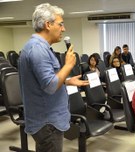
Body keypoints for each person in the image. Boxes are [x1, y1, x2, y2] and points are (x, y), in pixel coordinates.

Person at [18, 3, 89, 152]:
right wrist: (68, 65)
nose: (64, 29)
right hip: (47, 123)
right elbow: (50, 86)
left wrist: (68, 81)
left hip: (48, 120)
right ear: (48, 24)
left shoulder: (41, 48)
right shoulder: (37, 50)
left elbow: (43, 82)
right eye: (61, 24)